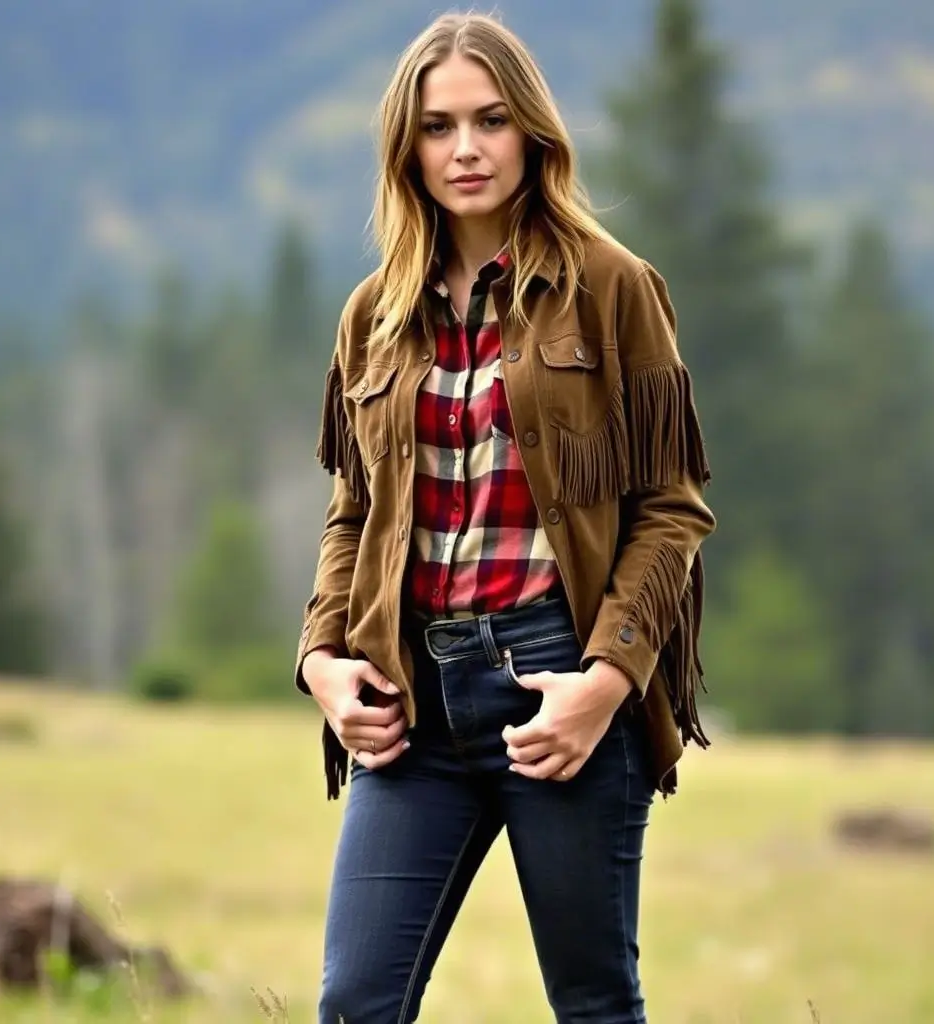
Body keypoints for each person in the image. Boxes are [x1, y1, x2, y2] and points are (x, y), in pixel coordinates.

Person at [295, 12, 716, 1024]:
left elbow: (670, 509)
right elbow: (352, 510)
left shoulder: (613, 289)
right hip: (410, 703)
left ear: (532, 131)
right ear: (409, 148)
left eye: (489, 120)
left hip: (556, 681)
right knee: (356, 1001)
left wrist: (605, 683)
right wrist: (321, 660)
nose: (466, 149)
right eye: (438, 128)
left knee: (592, 1003)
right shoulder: (375, 315)